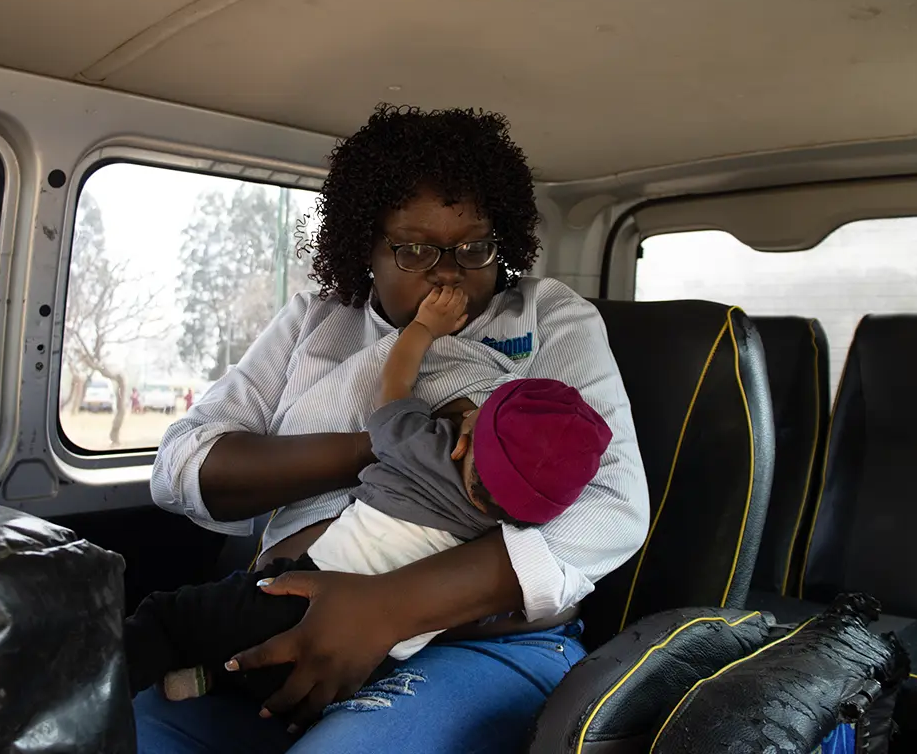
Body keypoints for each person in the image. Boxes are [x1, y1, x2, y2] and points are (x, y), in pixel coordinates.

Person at [139, 104, 650, 753]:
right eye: (413, 248)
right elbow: (182, 466)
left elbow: (613, 505)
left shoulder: (548, 318)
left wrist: (386, 608)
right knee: (111, 731)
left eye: (474, 247)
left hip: (476, 643)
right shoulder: (314, 324)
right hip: (268, 624)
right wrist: (390, 448)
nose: (447, 271)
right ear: (365, 250)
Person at [124, 284, 612, 704]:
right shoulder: (517, 525)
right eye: (413, 249)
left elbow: (396, 384)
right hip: (377, 656)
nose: (445, 273)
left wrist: (423, 329)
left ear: (463, 437)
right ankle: (211, 680)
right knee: (282, 679)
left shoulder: (421, 448)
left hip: (299, 589)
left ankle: (107, 672)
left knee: (174, 617)